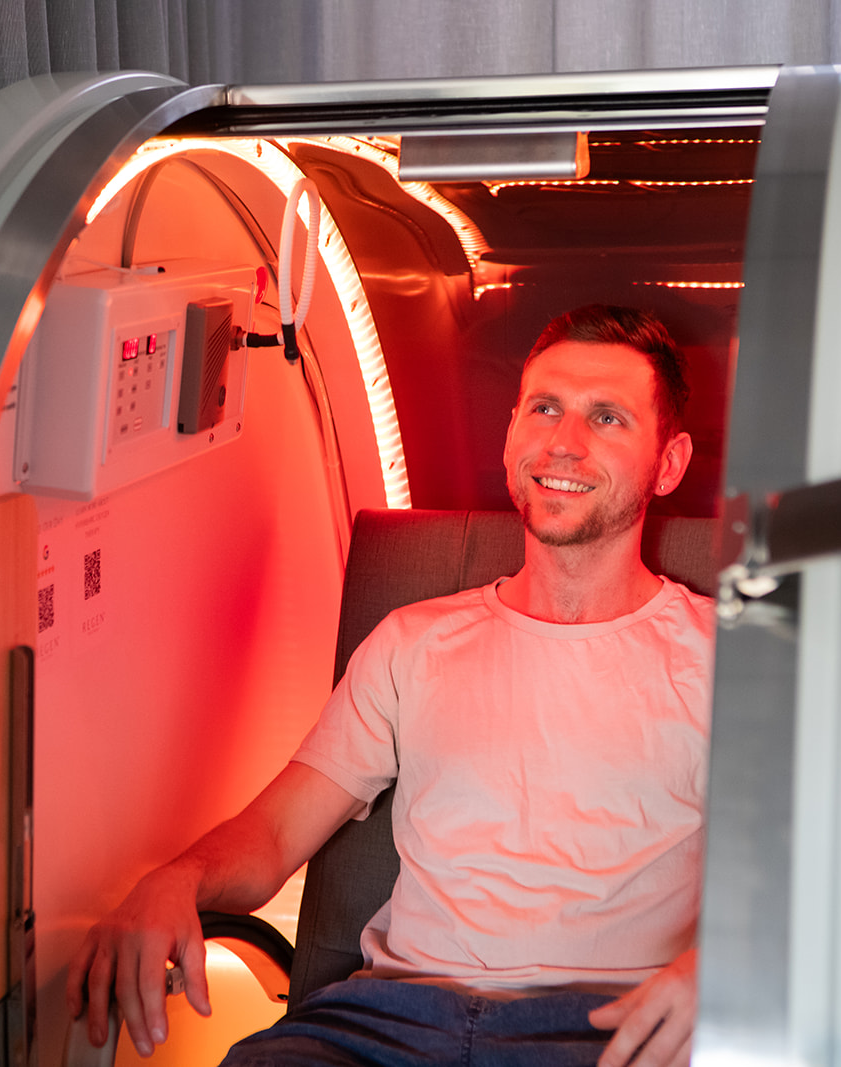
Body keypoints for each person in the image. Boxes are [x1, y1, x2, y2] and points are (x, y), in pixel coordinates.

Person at [67, 305, 714, 1067]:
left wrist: (721, 975)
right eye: (544, 408)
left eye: (606, 418)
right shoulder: (414, 641)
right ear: (512, 433)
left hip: (605, 1032)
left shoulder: (726, 659)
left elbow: (823, 880)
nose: (562, 442)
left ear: (668, 462)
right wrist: (176, 878)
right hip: (386, 1026)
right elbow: (275, 834)